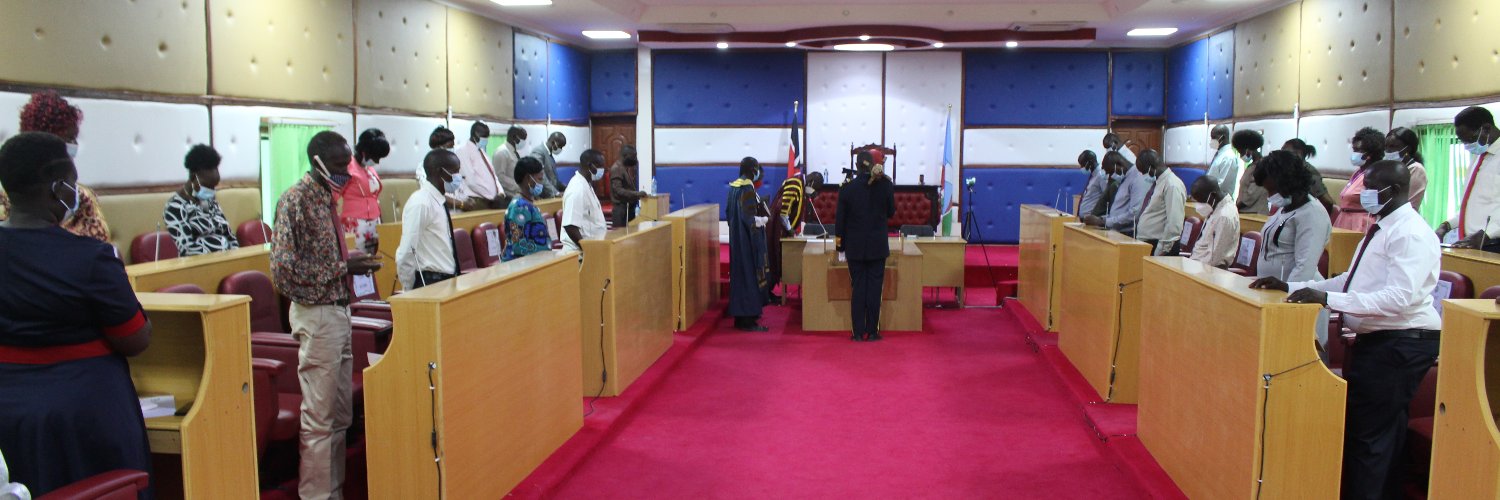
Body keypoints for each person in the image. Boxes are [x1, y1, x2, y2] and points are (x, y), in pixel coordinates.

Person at [1251, 160, 1440, 500]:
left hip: (1401, 342)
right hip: (1381, 340)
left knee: (1365, 435)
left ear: (1394, 191)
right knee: (1384, 434)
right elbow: (1352, 281)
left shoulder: (1409, 233)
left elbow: (1398, 297)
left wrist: (1327, 298)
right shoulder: (1382, 227)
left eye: (1371, 187)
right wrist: (1296, 286)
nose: (1363, 194)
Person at [0, 132, 155, 498]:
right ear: (57, 188)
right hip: (84, 415)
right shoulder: (89, 258)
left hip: (9, 411)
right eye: (72, 182)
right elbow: (134, 338)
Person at [269, 131, 382, 500]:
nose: (344, 173)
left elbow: (326, 262)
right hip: (315, 315)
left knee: (339, 419)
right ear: (316, 161)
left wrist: (351, 264)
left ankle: (333, 491)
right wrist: (341, 269)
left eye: (346, 165)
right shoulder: (296, 200)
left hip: (339, 312)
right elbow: (283, 270)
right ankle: (316, 496)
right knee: (319, 421)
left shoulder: (327, 200)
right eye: (337, 166)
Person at [3, 91, 110, 242]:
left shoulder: (84, 199)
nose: (73, 144)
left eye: (74, 138)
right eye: (67, 138)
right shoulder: (6, 200)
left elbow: (100, 245)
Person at [1255, 150, 1333, 347]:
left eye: (1273, 190)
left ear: (1289, 183)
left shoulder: (1312, 213)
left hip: (1297, 299)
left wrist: (1287, 300)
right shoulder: (1285, 208)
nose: (1270, 196)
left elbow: (1304, 266)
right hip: (1275, 294)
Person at [837, 149, 896, 342]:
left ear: (856, 166)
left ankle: (856, 333)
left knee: (858, 288)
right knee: (874, 290)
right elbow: (891, 212)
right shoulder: (885, 186)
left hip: (854, 248)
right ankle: (872, 331)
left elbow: (840, 222)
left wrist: (840, 248)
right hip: (877, 247)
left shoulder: (847, 188)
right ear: (873, 164)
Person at [395, 150, 461, 290]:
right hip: (431, 281)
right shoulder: (421, 202)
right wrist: (409, 289)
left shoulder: (439, 201)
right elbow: (407, 252)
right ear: (440, 172)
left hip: (448, 279)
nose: (458, 177)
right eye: (454, 172)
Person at [1438, 106, 1500, 251]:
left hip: (1493, 243)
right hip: (1472, 243)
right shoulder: (1478, 157)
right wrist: (1446, 225)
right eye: (1463, 142)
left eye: (1470, 139)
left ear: (1486, 128)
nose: (1467, 146)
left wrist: (1488, 234)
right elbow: (1473, 205)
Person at [164, 144, 239, 257]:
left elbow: (229, 236)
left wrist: (235, 256)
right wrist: (220, 257)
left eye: (214, 187)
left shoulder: (208, 201)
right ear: (194, 177)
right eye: (208, 186)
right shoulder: (176, 206)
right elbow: (187, 249)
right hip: (198, 269)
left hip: (227, 263)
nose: (212, 191)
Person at [727, 157, 771, 332]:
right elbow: (750, 219)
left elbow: (729, 213)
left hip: (736, 239)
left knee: (739, 277)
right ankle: (748, 320)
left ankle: (740, 317)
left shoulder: (733, 187)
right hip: (747, 241)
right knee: (749, 277)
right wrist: (764, 220)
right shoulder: (747, 188)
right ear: (753, 170)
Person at [341, 128, 388, 254]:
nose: (377, 161)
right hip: (356, 222)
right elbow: (334, 194)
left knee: (376, 255)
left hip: (374, 220)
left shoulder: (369, 169)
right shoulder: (347, 168)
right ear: (364, 152)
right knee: (358, 258)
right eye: (375, 157)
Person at [1133, 150, 1185, 256]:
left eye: (1143, 171)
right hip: (1148, 243)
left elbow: (1174, 223)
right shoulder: (1158, 183)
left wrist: (1161, 250)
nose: (1143, 175)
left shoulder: (1172, 185)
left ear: (1151, 167)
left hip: (1159, 246)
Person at [1335, 127, 1387, 233]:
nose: (1354, 154)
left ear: (1370, 154)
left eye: (1358, 151)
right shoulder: (1358, 172)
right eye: (1354, 150)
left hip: (1360, 224)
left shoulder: (1376, 174)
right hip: (1344, 220)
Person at [1082, 151, 1147, 236]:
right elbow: (1119, 210)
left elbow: (1133, 214)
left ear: (1118, 165)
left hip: (1127, 233)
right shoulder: (1124, 177)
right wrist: (1101, 219)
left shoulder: (1137, 179)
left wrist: (1103, 221)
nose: (1110, 176)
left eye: (1111, 172)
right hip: (1115, 231)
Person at [503, 157, 553, 262]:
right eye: (539, 179)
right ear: (528, 179)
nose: (542, 183)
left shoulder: (529, 203)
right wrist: (545, 250)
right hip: (519, 266)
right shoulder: (519, 207)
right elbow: (519, 246)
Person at [561, 149, 608, 254]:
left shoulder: (587, 184)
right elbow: (570, 225)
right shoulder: (577, 188)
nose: (603, 170)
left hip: (593, 248)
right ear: (590, 166)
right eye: (600, 166)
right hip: (579, 253)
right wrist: (586, 248)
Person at [1187, 176, 1240, 268]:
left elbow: (1215, 258)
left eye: (1201, 201)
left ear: (1212, 195)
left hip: (1208, 271)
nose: (1198, 205)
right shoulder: (1215, 207)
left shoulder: (1225, 216)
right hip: (1197, 265)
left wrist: (1193, 269)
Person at [453, 122, 507, 212]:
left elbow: (494, 176)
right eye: (484, 137)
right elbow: (470, 181)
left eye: (487, 137)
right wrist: (490, 196)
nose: (486, 140)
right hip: (478, 200)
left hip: (493, 201)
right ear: (475, 135)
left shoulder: (483, 152)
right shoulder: (463, 152)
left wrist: (500, 193)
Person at [1282, 138, 1337, 215]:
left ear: (1298, 153)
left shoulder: (1308, 172)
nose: (1281, 157)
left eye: (1285, 153)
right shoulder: (1291, 170)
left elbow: (1327, 201)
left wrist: (1321, 219)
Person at [1385, 127, 1428, 210]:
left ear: (1408, 148)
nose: (1388, 150)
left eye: (1393, 146)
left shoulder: (1416, 169)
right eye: (1386, 147)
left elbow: (1409, 203)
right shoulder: (1390, 168)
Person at [610, 146, 648, 228]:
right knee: (619, 236)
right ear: (625, 156)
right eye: (634, 156)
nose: (635, 159)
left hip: (628, 208)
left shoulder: (624, 168)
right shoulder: (617, 168)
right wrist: (637, 194)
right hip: (621, 210)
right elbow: (618, 190)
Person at [492, 126, 528, 200]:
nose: (524, 142)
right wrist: (519, 187)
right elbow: (499, 177)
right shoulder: (501, 152)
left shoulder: (514, 152)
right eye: (522, 139)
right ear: (514, 137)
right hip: (508, 196)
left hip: (519, 194)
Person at [1205, 124, 1240, 196]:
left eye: (1214, 137)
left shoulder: (1229, 157)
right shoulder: (1220, 154)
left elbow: (1222, 186)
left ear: (1222, 137)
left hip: (1220, 202)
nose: (1211, 140)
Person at [531, 132, 568, 198]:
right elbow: (541, 177)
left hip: (550, 196)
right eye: (560, 146)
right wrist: (556, 193)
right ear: (553, 142)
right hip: (542, 197)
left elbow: (553, 178)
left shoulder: (549, 155)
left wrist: (566, 187)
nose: (561, 149)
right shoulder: (538, 152)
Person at [1077, 150, 1106, 216]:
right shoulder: (1093, 175)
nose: (1082, 168)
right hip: (1085, 218)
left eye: (1083, 165)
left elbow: (1106, 197)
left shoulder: (1101, 175)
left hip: (1093, 219)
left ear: (1090, 162)